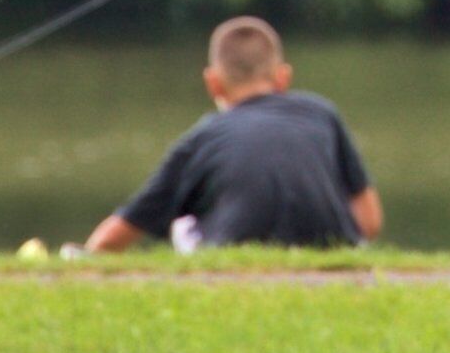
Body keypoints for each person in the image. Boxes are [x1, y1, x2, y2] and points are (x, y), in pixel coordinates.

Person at [86, 17, 382, 252]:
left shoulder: (205, 137)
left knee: (183, 223)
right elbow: (369, 221)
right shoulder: (322, 113)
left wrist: (87, 254)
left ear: (213, 83)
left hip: (234, 263)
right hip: (336, 256)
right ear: (283, 77)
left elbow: (113, 238)